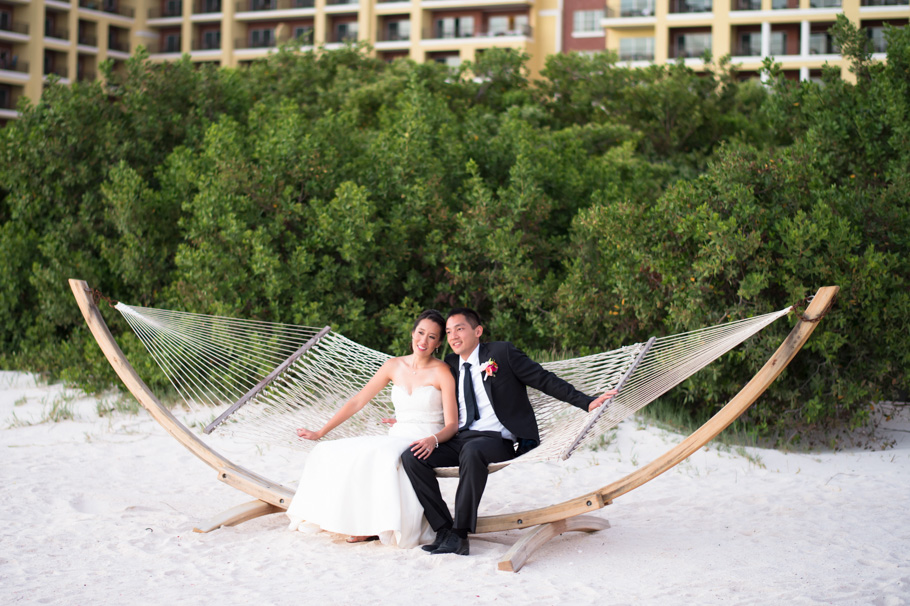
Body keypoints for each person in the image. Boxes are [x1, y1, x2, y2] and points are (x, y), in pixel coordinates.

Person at [401, 307, 616, 556]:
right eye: (448, 332)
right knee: (412, 457)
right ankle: (444, 529)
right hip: (459, 439)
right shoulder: (449, 364)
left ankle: (460, 534)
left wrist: (585, 401)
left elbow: (543, 379)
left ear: (477, 331)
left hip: (497, 441)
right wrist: (406, 417)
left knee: (472, 452)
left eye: (459, 329)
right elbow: (436, 399)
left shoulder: (501, 353)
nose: (453, 336)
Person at [286, 309, 458, 547]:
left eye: (431, 337)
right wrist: (320, 432)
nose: (423, 341)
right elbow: (357, 401)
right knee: (331, 450)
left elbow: (452, 424)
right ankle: (357, 521)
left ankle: (376, 526)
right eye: (420, 333)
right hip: (396, 434)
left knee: (383, 455)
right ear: (412, 333)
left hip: (423, 437)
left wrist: (432, 440)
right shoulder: (393, 365)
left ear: (439, 342)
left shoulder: (442, 372)